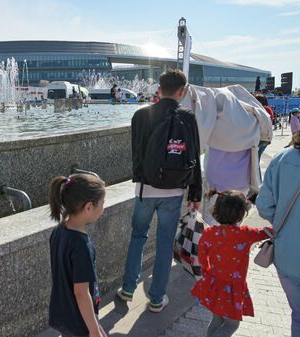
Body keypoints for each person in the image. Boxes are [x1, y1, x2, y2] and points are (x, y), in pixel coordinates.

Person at [118, 69, 202, 312]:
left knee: (138, 237)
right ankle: (156, 298)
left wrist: (144, 180)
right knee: (165, 243)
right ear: (182, 91)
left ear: (159, 89)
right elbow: (194, 156)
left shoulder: (140, 115)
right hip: (174, 192)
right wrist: (195, 194)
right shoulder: (188, 117)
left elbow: (137, 156)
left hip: (145, 190)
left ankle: (128, 289)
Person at [191, 190, 269, 337]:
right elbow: (266, 232)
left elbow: (201, 254)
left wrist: (207, 271)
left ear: (217, 212)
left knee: (216, 319)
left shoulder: (210, 233)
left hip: (214, 283)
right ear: (241, 215)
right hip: (233, 286)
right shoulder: (245, 234)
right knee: (232, 324)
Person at [48, 173, 108, 337]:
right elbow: (81, 293)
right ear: (88, 207)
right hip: (79, 320)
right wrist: (94, 330)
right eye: (102, 204)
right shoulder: (81, 245)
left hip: (61, 312)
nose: (104, 208)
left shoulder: (58, 231)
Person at [256, 132, 300, 337]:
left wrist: (285, 221)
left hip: (288, 254)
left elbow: (264, 205)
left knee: (298, 315)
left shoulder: (283, 159)